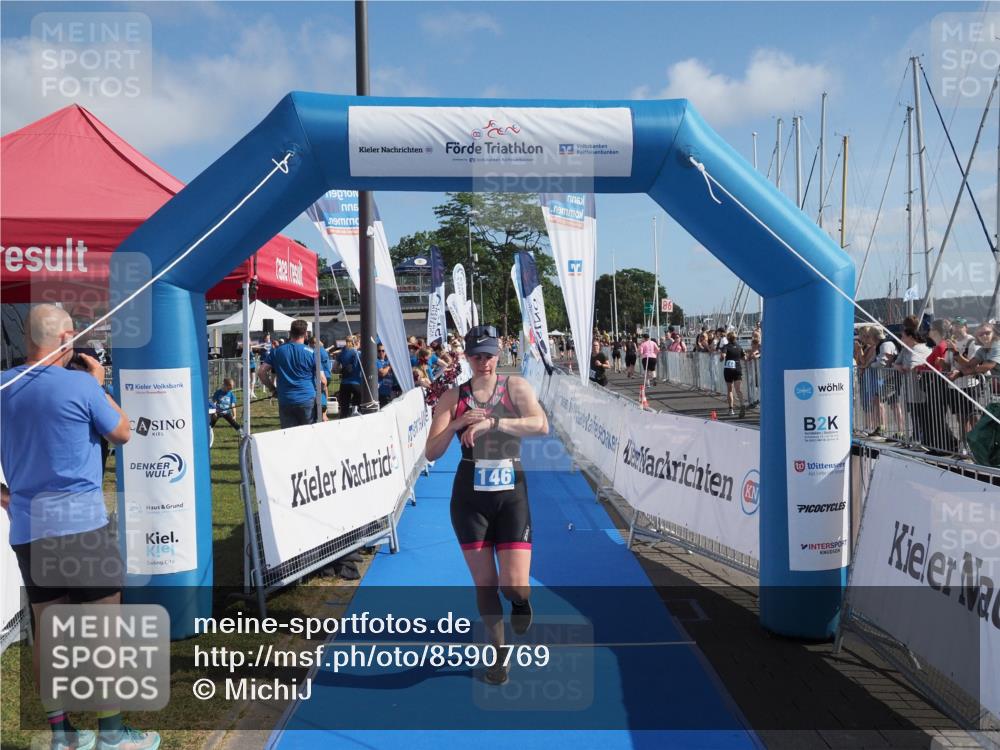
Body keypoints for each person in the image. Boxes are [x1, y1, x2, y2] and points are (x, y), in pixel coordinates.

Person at [1, 305, 160, 750]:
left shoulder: (3, 386)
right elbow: (124, 432)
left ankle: (62, 735)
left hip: (29, 529)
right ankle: (111, 733)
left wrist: (7, 496)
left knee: (48, 631)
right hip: (82, 528)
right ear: (67, 338)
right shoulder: (80, 385)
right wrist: (98, 385)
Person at [424, 325, 548, 686]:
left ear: (498, 354)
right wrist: (458, 422)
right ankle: (498, 655)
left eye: (490, 355)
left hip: (511, 495)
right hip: (469, 500)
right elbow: (431, 452)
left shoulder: (515, 387)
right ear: (466, 357)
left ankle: (522, 603)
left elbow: (541, 426)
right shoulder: (452, 396)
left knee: (514, 586)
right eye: (477, 356)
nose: (484, 362)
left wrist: (496, 421)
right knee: (485, 583)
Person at [258, 319, 324, 428]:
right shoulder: (312, 353)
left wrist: (272, 389)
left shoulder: (278, 351)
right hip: (307, 399)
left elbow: (261, 372)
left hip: (286, 399)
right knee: (308, 435)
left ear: (290, 333)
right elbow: (323, 380)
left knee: (288, 437)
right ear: (306, 334)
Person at [335, 335, 364, 418]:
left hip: (344, 384)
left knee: (344, 409)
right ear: (356, 342)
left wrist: (342, 370)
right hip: (356, 383)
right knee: (357, 409)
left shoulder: (341, 353)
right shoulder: (359, 353)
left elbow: (334, 369)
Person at [720, 331, 746, 418]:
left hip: (728, 369)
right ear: (735, 338)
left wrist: (721, 358)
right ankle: (742, 404)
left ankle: (731, 409)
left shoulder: (726, 347)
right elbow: (744, 357)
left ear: (728, 338)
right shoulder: (739, 347)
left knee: (730, 390)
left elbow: (723, 356)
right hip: (737, 369)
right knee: (738, 389)